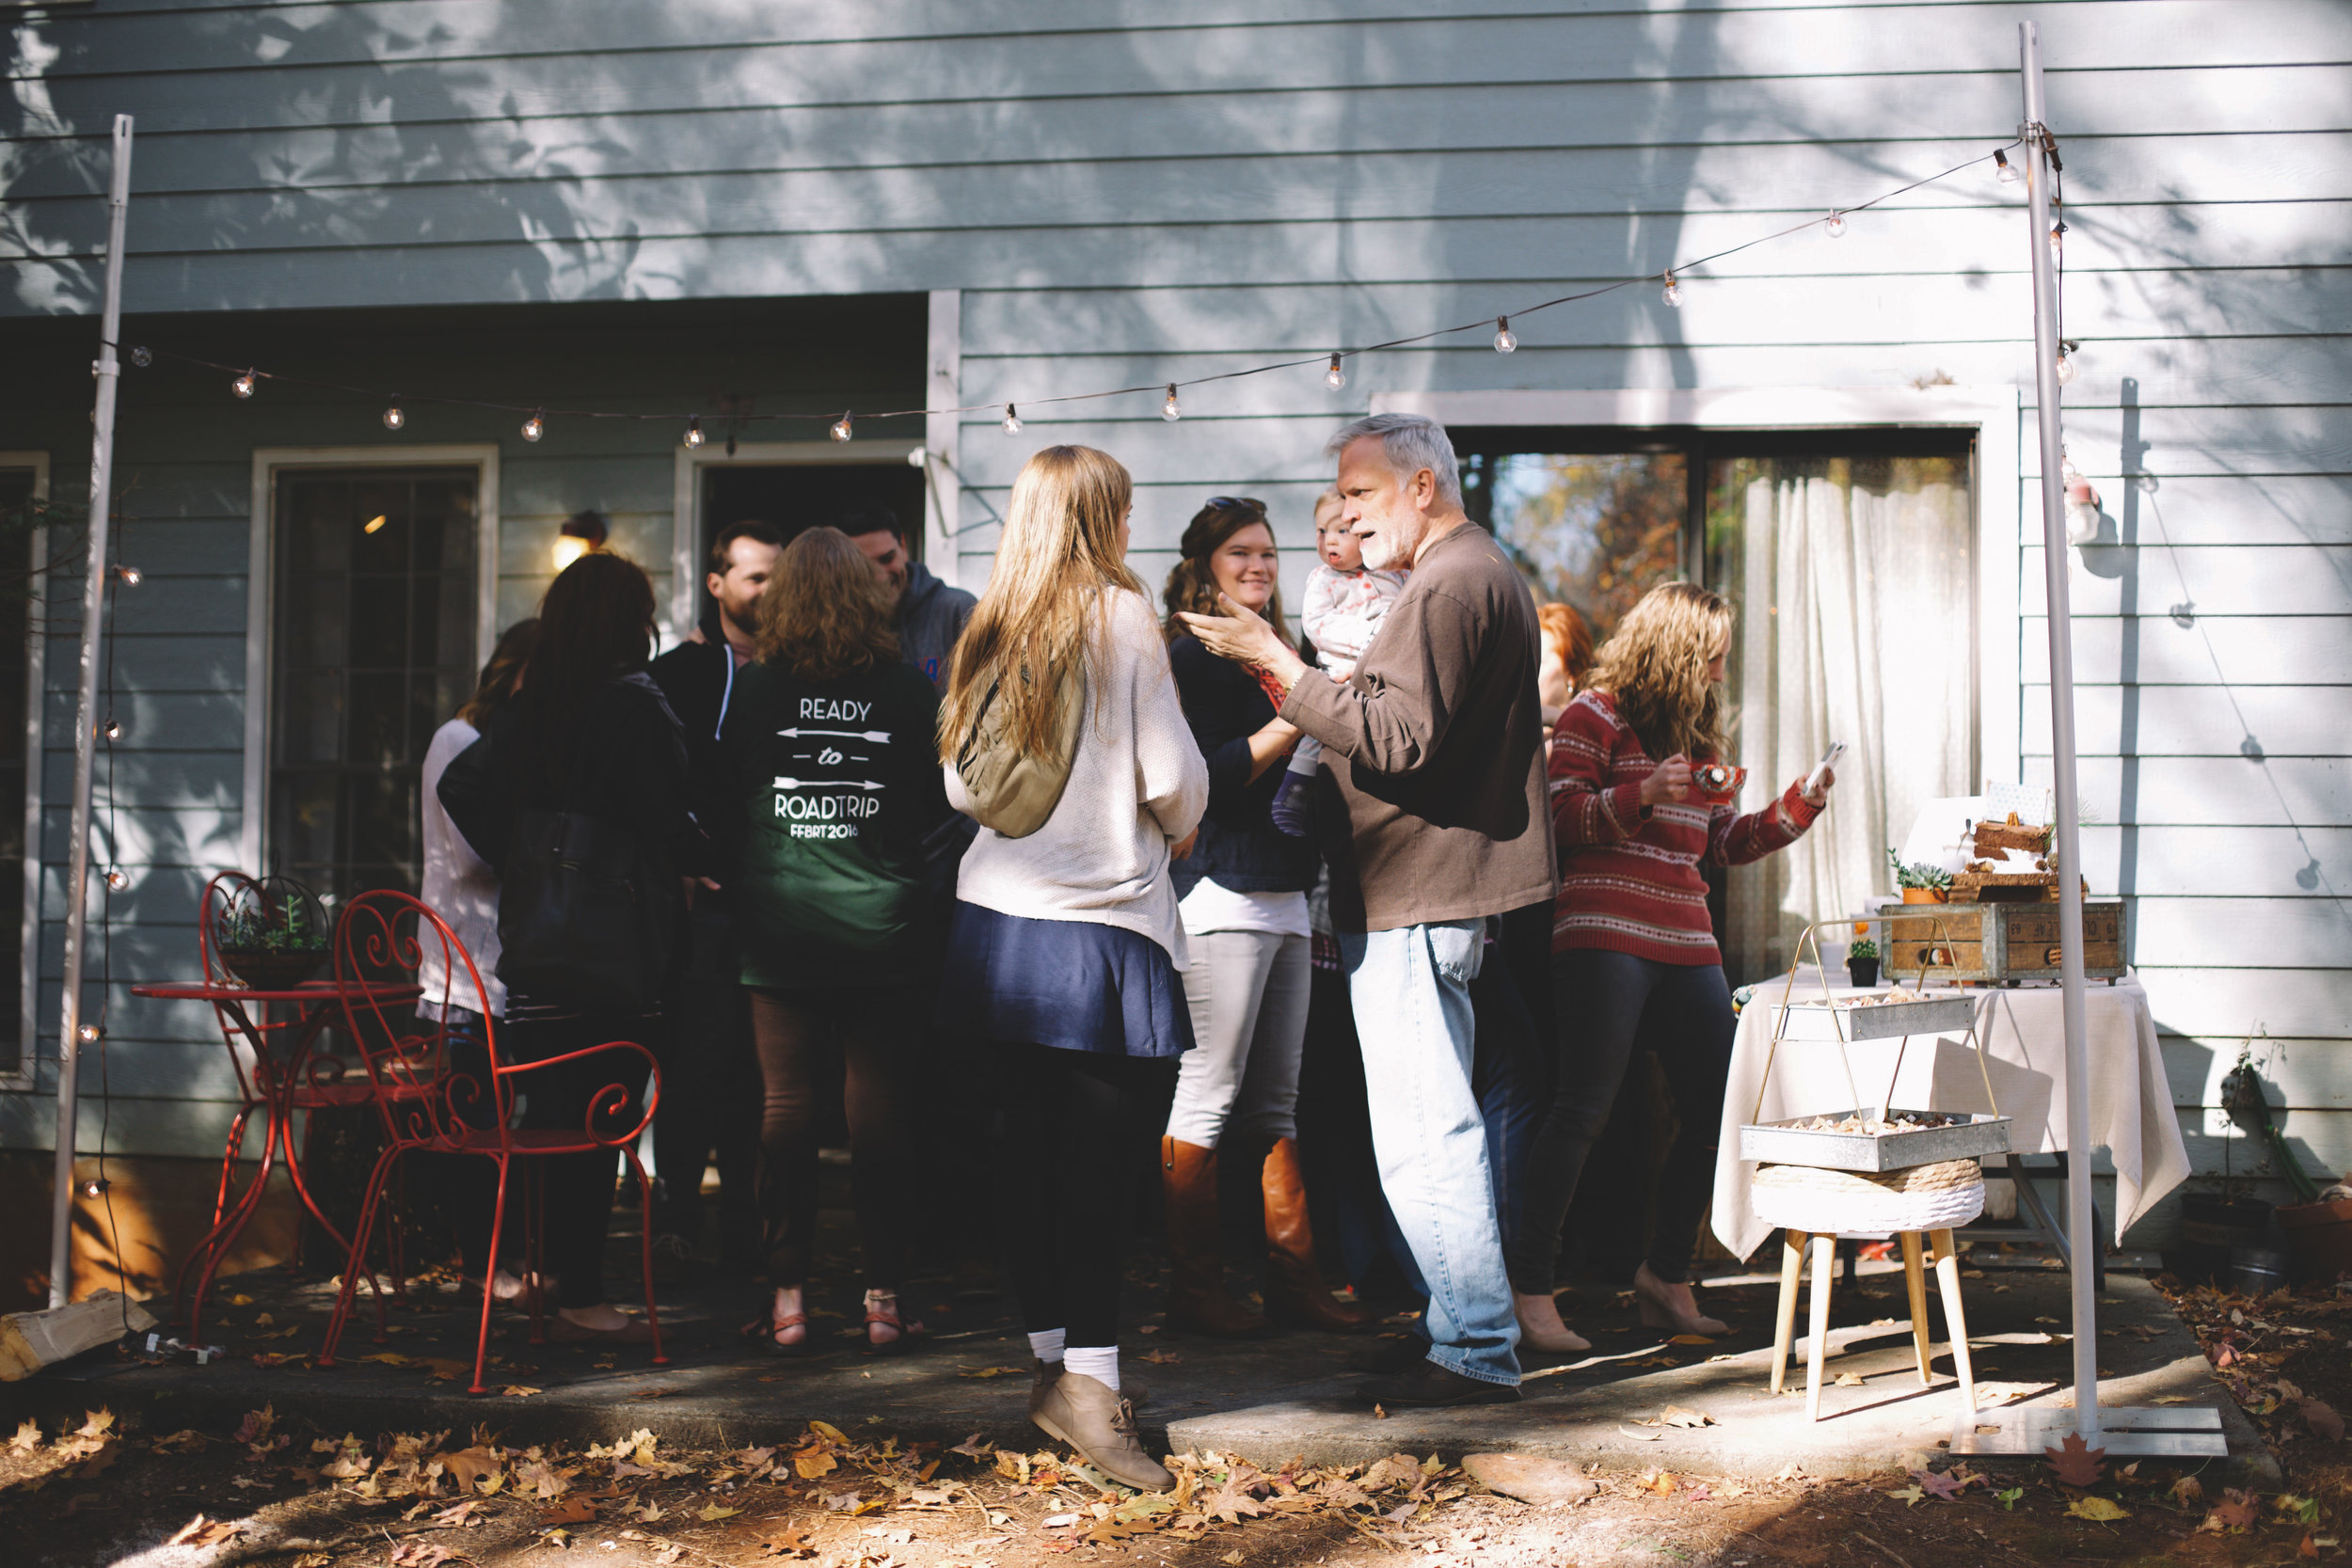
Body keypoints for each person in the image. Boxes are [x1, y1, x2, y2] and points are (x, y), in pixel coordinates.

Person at [1180, 413, 1555, 1409]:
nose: (1342, 512)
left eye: (1358, 492)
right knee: (1428, 1121)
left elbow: (1394, 739)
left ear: (1421, 485)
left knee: (1427, 1130)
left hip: (1417, 892)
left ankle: (1474, 1345)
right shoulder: (1472, 571)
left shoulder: (1448, 580)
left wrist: (1278, 663)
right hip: (1423, 888)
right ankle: (1455, 1326)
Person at [935, 445, 1207, 1490]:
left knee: (1027, 1166)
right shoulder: (1122, 615)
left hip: (994, 932)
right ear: (1103, 516)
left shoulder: (990, 625)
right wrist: (1179, 816)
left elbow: (962, 788)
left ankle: (1051, 1368)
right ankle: (1093, 1392)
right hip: (1102, 932)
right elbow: (1172, 777)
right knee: (1100, 1180)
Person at [1510, 581, 1834, 1353]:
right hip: (1605, 927)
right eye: (1713, 654)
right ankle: (1527, 1288)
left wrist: (1797, 806)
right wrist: (1639, 793)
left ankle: (1664, 1277)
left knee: (1716, 1104)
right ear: (1678, 650)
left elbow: (1721, 842)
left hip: (1688, 937)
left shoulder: (1700, 737)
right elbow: (1558, 818)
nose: (1721, 670)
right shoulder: (1596, 713)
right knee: (1582, 1108)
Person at [438, 550, 707, 1345]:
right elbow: (664, 816)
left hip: (538, 948)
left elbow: (463, 787)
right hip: (616, 952)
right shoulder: (635, 705)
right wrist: (705, 855)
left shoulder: (536, 705)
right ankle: (583, 1295)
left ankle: (545, 1275)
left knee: (551, 1118)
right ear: (629, 621)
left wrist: (524, 850)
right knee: (600, 1124)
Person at [719, 528, 953, 1355]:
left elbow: (724, 796)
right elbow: (938, 804)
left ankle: (787, 1300)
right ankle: (883, 1300)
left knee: (783, 1112)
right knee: (880, 1118)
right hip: (887, 926)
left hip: (780, 929)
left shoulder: (750, 691)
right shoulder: (907, 690)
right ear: (866, 596)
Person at [1157, 497, 1367, 1338]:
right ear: (1205, 564)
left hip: (1288, 894)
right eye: (1238, 553)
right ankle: (1195, 1288)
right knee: (1205, 1096)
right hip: (1221, 892)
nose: (1257, 566)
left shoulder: (1286, 653)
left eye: (1267, 553)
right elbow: (1204, 776)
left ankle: (1293, 1278)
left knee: (1278, 1102)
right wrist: (1300, 713)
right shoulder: (1194, 657)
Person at [644, 519, 783, 1281]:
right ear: (718, 584)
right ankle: (674, 1221)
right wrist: (681, 862)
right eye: (754, 576)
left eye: (776, 577)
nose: (767, 590)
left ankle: (744, 1226)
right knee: (695, 1064)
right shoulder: (679, 676)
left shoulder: (800, 674)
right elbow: (654, 783)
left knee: (757, 1075)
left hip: (776, 905)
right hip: (703, 909)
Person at [416, 617, 537, 1302]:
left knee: (527, 1123)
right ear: (514, 672)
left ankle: (524, 1257)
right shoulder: (458, 741)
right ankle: (483, 1264)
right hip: (468, 964)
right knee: (479, 1121)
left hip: (519, 965)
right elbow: (468, 854)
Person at [1268, 489, 1410, 836]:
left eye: (1341, 531)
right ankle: (1295, 789)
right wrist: (1370, 642)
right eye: (1322, 531)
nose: (1329, 540)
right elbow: (1317, 626)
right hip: (1339, 670)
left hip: (1383, 674)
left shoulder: (1394, 575)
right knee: (1321, 729)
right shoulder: (1323, 580)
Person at [838, 501, 977, 691]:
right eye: (865, 566)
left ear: (902, 546)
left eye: (887, 558)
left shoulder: (957, 609)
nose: (879, 576)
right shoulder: (839, 621)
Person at [1536, 602, 1595, 731]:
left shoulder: (1588, 733)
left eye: (1541, 661)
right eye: (1528, 660)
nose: (1531, 670)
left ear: (1572, 674)